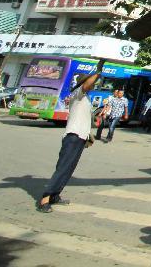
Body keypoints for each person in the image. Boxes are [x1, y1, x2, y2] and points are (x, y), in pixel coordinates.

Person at [37, 65, 102, 213]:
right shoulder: (78, 93)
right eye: (91, 83)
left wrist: (88, 135)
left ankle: (55, 195)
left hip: (79, 137)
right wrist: (98, 72)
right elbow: (86, 85)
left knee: (69, 168)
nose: (93, 86)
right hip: (72, 137)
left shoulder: (84, 97)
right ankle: (45, 199)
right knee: (63, 168)